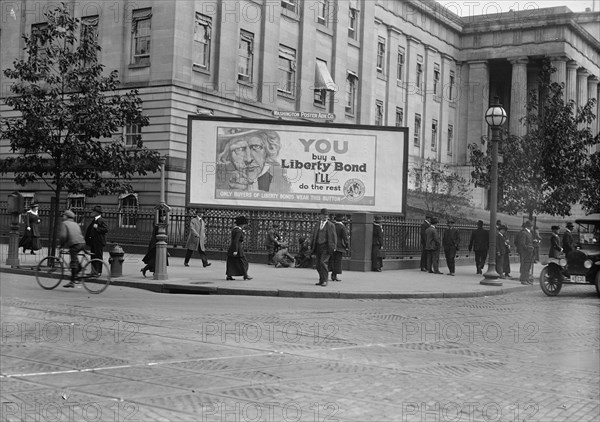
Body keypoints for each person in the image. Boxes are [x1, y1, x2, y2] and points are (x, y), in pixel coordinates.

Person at [216, 128, 290, 192]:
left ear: (267, 151)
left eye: (256, 147)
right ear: (228, 155)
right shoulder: (218, 183)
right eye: (239, 149)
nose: (248, 159)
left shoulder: (281, 180)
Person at [58, 210, 86, 288]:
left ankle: (72, 281)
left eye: (63, 215)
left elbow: (63, 236)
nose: (62, 217)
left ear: (66, 216)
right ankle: (79, 268)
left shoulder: (64, 223)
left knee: (73, 261)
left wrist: (61, 245)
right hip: (82, 243)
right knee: (75, 257)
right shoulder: (75, 223)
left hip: (75, 244)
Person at [310, 208, 337, 286]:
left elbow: (334, 236)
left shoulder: (331, 225)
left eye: (326, 215)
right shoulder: (317, 224)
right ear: (320, 215)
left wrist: (334, 246)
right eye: (324, 215)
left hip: (326, 246)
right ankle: (321, 280)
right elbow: (314, 235)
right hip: (318, 246)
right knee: (318, 264)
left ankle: (325, 280)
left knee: (323, 262)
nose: (325, 216)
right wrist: (311, 245)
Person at [226, 215, 252, 280]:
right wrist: (236, 250)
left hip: (232, 248)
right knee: (244, 262)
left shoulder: (235, 229)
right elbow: (236, 241)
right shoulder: (239, 231)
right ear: (242, 224)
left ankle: (229, 275)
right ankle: (245, 275)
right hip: (238, 248)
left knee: (231, 262)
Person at [85, 205, 108, 275]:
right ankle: (93, 271)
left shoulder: (101, 220)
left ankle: (98, 271)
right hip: (93, 242)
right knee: (93, 256)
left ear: (98, 212)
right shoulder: (94, 220)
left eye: (94, 211)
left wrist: (97, 227)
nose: (92, 212)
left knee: (98, 256)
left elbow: (106, 229)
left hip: (98, 242)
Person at [330, 214, 349, 281]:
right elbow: (345, 238)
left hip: (332, 245)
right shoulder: (342, 227)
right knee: (338, 261)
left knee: (332, 260)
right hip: (339, 246)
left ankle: (332, 273)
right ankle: (334, 275)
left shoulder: (332, 225)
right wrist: (347, 246)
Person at [516, 220, 535, 285]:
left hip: (529, 252)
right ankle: (523, 279)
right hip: (525, 252)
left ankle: (526, 279)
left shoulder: (529, 233)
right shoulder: (524, 233)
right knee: (525, 266)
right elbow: (522, 244)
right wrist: (528, 248)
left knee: (528, 266)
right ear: (530, 226)